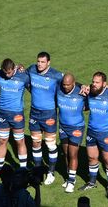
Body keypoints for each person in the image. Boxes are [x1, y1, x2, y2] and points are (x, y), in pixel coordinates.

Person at [78, 72, 108, 198]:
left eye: (97, 82)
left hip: (107, 133)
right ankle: (92, 182)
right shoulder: (90, 92)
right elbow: (86, 107)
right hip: (91, 131)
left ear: (104, 84)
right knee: (91, 158)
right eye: (93, 82)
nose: (94, 84)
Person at [26, 51, 63, 185]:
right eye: (38, 61)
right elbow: (23, 76)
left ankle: (51, 173)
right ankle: (37, 172)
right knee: (36, 143)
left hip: (49, 114)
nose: (39, 64)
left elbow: (69, 83)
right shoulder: (31, 69)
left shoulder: (56, 75)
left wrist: (83, 86)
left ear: (48, 63)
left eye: (42, 62)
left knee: (50, 144)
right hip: (34, 113)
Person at [0, 58, 29, 179]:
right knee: (2, 141)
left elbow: (35, 91)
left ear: (14, 69)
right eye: (5, 72)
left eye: (9, 72)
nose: (7, 75)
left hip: (17, 114)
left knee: (19, 141)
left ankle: (23, 170)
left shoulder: (23, 76)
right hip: (2, 114)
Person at [57, 73, 87, 193]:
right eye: (64, 84)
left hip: (76, 127)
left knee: (72, 153)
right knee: (65, 153)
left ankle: (71, 181)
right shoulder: (59, 89)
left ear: (74, 83)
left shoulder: (82, 92)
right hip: (63, 126)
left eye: (68, 85)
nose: (66, 87)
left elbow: (89, 104)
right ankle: (68, 176)